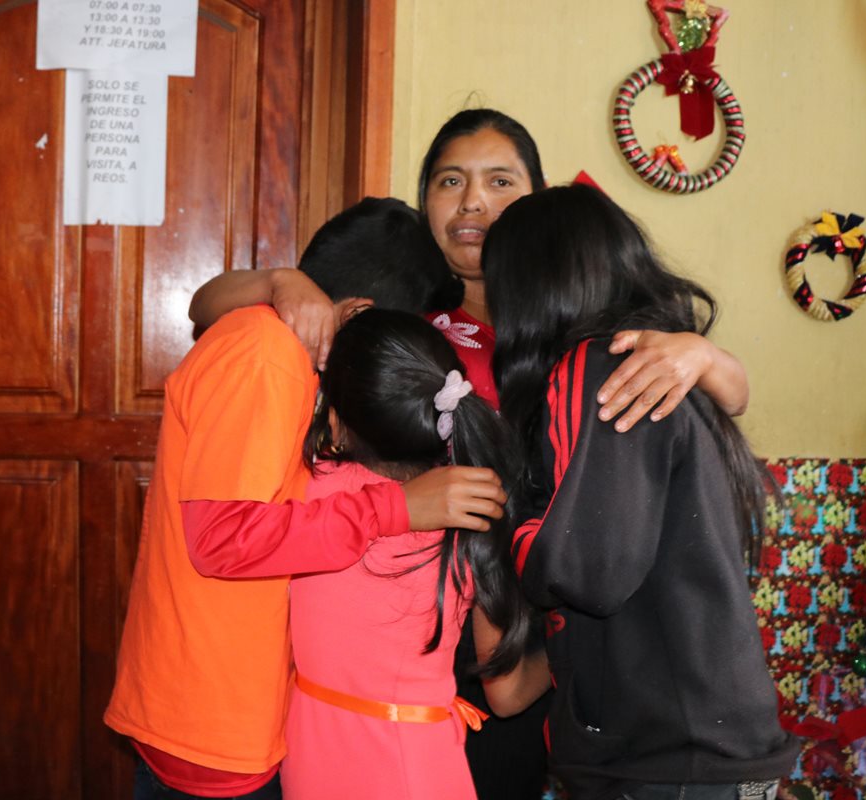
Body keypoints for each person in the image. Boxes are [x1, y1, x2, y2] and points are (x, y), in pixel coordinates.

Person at [186, 108, 752, 800]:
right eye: (450, 181)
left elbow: (703, 410)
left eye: (499, 181)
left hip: (557, 616)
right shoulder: (406, 311)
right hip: (423, 636)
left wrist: (708, 357)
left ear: (537, 199)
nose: (473, 201)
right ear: (425, 201)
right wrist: (282, 282)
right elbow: (209, 304)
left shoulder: (583, 333)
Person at [106, 197, 509, 800]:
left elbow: (202, 304)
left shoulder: (278, 343)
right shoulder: (268, 357)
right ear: (359, 313)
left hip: (236, 705)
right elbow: (221, 539)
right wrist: (398, 508)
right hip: (212, 716)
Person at [484, 184, 800, 800]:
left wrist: (494, 522)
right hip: (705, 753)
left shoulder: (600, 367)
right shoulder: (660, 361)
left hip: (665, 763)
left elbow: (586, 567)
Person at [279, 308, 549, 799]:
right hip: (410, 765)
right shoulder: (467, 518)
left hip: (307, 752)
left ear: (336, 423)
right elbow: (507, 696)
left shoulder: (306, 490)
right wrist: (561, 653)